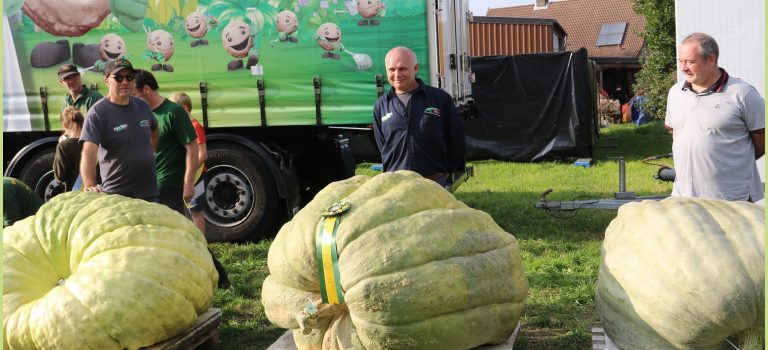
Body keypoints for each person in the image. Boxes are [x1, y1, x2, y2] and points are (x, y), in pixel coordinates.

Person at [665, 32, 765, 202]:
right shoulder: (675, 92)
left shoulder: (742, 93)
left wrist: (732, 162)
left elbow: (762, 138)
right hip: (685, 197)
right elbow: (675, 132)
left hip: (733, 198)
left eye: (690, 62)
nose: (683, 68)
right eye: (680, 61)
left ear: (710, 59)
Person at [372, 46, 465, 186]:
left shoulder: (439, 99)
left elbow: (456, 139)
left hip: (434, 181)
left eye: (402, 68)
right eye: (391, 69)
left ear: (415, 68)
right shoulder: (381, 106)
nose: (397, 74)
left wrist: (448, 173)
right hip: (397, 184)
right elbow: (383, 145)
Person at [80, 58, 161, 202]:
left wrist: (150, 154)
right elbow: (89, 152)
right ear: (107, 81)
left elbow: (155, 132)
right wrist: (90, 184)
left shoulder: (142, 106)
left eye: (129, 77)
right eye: (118, 77)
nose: (125, 82)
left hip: (149, 193)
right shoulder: (97, 113)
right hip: (117, 195)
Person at [133, 70, 199, 215]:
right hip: (146, 184)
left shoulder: (173, 112)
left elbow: (193, 147)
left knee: (170, 231)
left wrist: (188, 184)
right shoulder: (141, 113)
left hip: (168, 185)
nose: (132, 100)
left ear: (146, 89)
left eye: (134, 95)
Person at [169, 91, 208, 233]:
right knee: (189, 210)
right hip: (190, 177)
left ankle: (201, 243)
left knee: (196, 211)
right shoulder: (184, 126)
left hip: (197, 177)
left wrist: (188, 173)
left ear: (184, 108)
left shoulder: (195, 127)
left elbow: (203, 155)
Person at [53, 106, 85, 190]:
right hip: (92, 193)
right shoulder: (92, 143)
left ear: (65, 125)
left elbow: (59, 177)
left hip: (73, 194)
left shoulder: (63, 146)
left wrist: (60, 144)